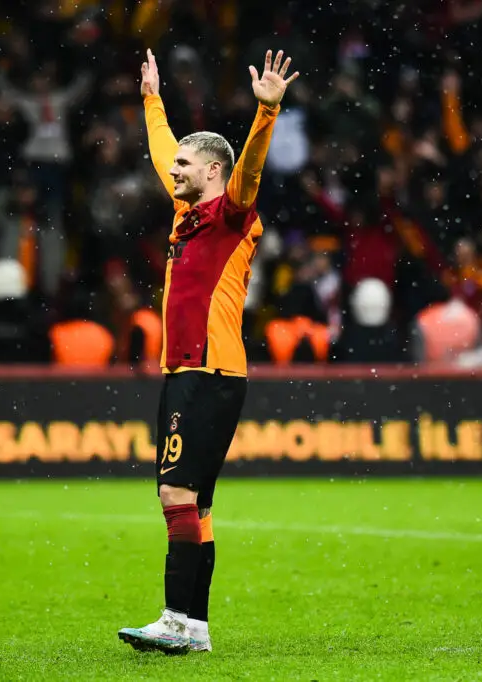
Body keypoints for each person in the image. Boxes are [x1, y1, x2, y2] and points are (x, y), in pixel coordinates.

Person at [117, 48, 299, 655]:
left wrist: (266, 113)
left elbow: (249, 172)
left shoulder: (230, 214)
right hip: (196, 371)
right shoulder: (187, 213)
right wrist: (152, 99)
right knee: (197, 504)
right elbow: (161, 148)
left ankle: (173, 618)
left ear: (213, 171)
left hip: (206, 370)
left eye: (185, 165)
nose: (172, 170)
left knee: (174, 495)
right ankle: (194, 627)